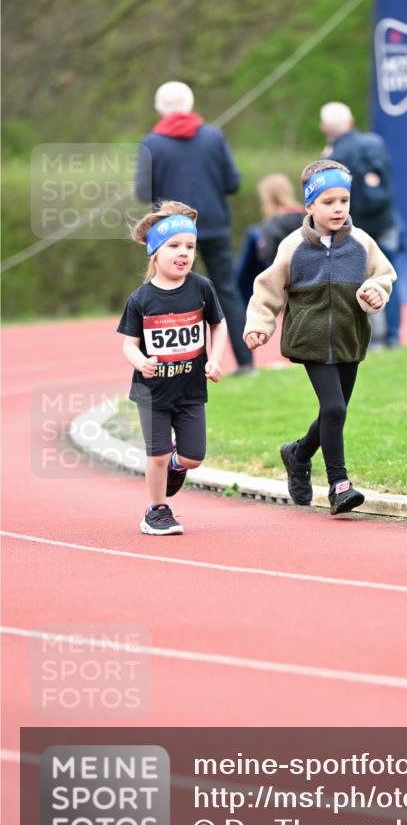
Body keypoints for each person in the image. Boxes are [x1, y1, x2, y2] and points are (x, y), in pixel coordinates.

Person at [243, 159, 396, 515]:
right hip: (309, 339)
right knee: (333, 408)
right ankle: (339, 485)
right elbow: (268, 289)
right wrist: (259, 324)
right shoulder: (293, 246)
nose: (338, 208)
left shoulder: (362, 242)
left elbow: (385, 276)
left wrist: (374, 290)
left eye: (344, 200)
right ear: (310, 205)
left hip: (349, 337)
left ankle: (297, 453)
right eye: (329, 202)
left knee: (335, 412)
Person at [118, 200, 227, 534]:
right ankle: (156, 510)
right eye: (174, 246)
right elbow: (127, 344)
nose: (184, 253)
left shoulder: (201, 288)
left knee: (193, 456)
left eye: (190, 247)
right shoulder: (141, 299)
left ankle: (178, 467)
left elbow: (218, 325)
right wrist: (142, 362)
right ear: (155, 252)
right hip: (153, 392)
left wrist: (215, 358)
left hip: (191, 389)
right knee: (158, 455)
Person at [135, 81, 254, 375]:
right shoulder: (213, 137)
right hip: (214, 224)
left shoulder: (152, 143)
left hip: (170, 234)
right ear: (190, 104)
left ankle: (165, 365)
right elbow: (233, 183)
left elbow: (142, 191)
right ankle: (246, 363)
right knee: (227, 292)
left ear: (160, 109)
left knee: (165, 292)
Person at [319, 101, 402, 348]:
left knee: (355, 284)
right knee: (389, 277)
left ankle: (367, 338)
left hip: (355, 231)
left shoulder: (332, 158)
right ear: (352, 121)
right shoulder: (376, 143)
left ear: (325, 128)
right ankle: (393, 335)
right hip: (387, 222)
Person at [236, 174, 304, 304]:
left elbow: (242, 276)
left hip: (275, 295)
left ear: (267, 199)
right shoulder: (309, 219)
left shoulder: (264, 230)